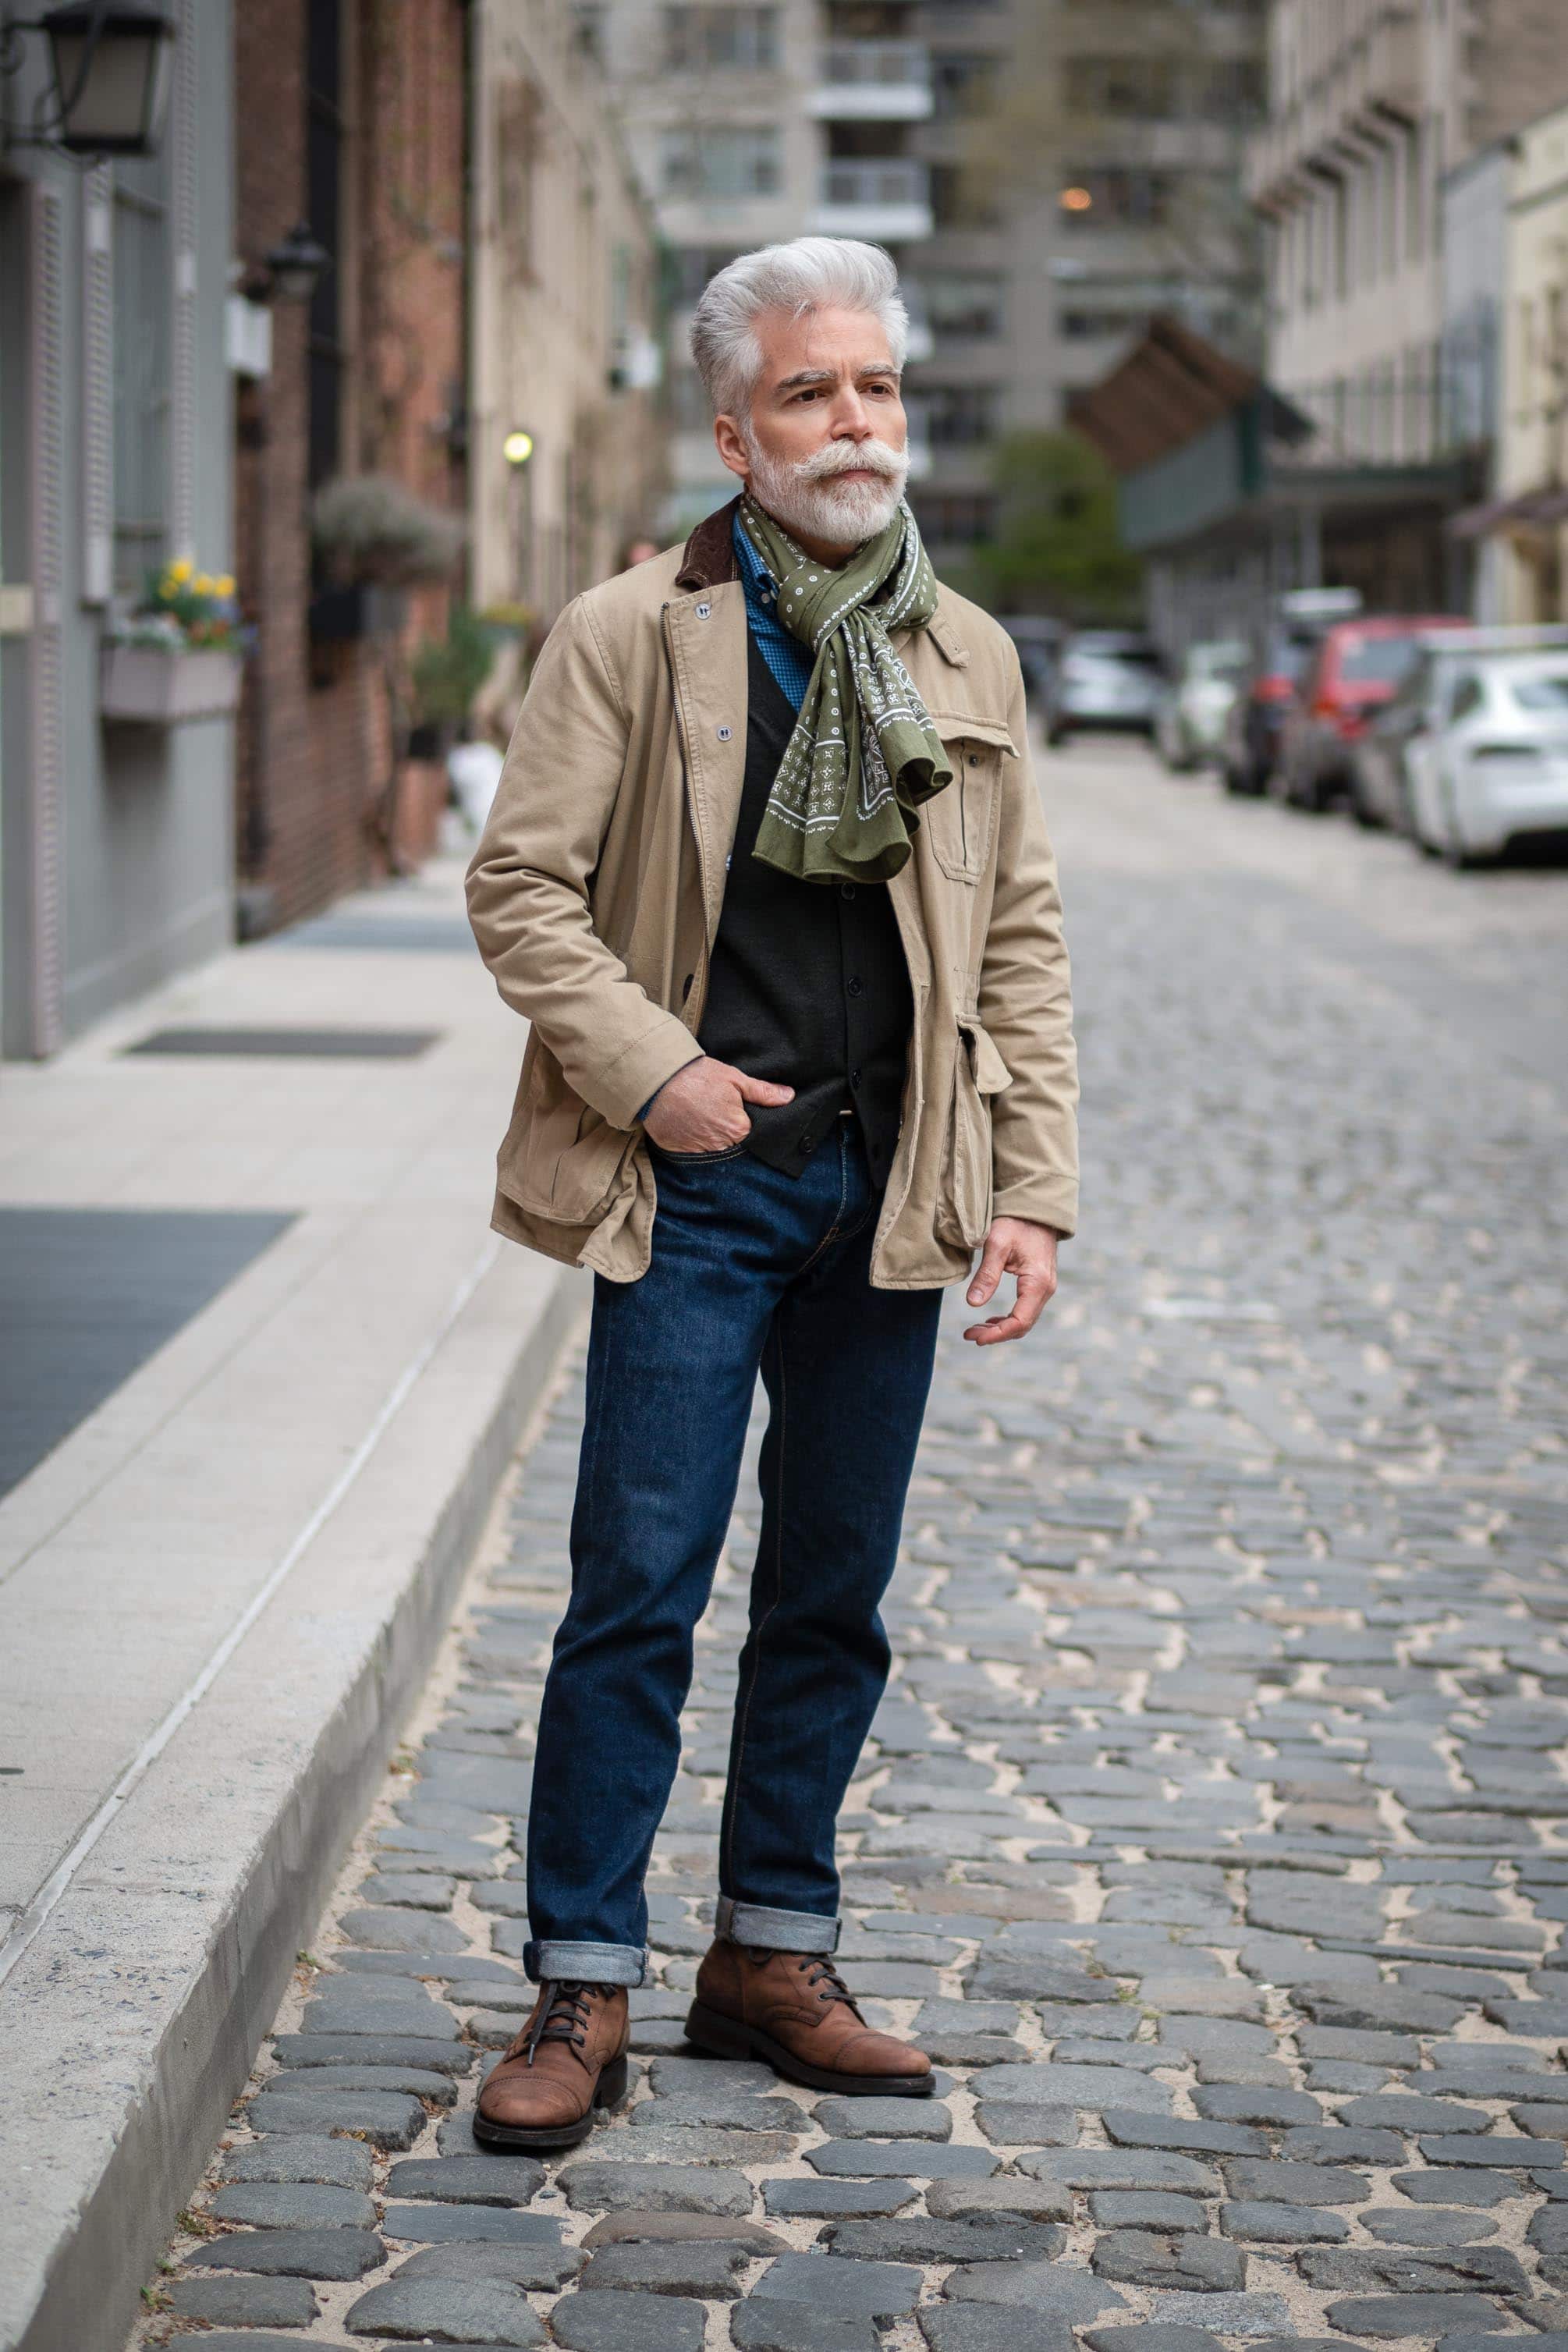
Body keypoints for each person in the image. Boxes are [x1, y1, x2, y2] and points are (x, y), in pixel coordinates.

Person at [465, 237, 1078, 2151]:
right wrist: (657, 1071)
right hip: (694, 1185)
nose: (856, 424)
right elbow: (522, 892)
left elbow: (1023, 939)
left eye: (878, 388)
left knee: (835, 1593)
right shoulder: (631, 630)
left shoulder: (962, 651)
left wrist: (1031, 1184)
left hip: (891, 1187)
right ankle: (584, 1976)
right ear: (737, 430)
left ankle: (771, 1954)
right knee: (636, 1585)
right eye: (812, 392)